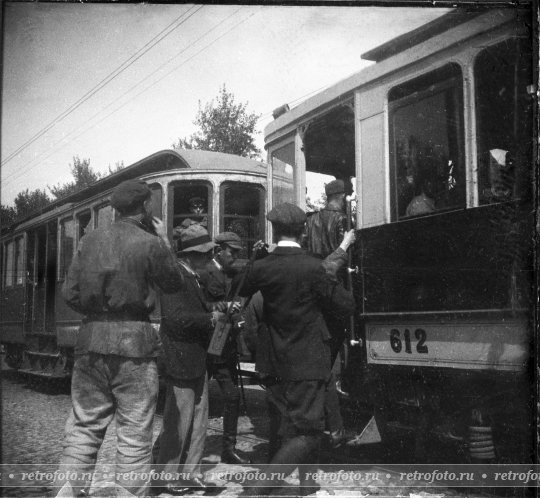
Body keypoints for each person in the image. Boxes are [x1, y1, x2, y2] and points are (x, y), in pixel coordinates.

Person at [58, 179, 184, 497]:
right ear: (144, 206)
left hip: (90, 343)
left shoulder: (88, 241)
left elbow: (69, 293)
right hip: (135, 346)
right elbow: (173, 283)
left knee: (83, 427)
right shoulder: (150, 242)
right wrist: (165, 242)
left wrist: (97, 311)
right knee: (134, 434)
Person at [238, 203, 354, 496]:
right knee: (310, 432)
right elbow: (345, 305)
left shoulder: (260, 267)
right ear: (303, 230)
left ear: (274, 230)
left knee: (292, 426)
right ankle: (259, 490)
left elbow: (239, 295)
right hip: (308, 360)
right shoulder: (313, 267)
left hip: (274, 360)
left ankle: (307, 486)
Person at [153, 223, 220, 496]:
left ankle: (190, 474)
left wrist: (217, 310)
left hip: (195, 358)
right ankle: (166, 477)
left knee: (199, 420)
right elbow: (176, 318)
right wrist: (210, 318)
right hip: (181, 358)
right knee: (178, 422)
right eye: (206, 254)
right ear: (193, 254)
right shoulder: (176, 277)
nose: (209, 258)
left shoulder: (192, 276)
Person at [305, 178, 354, 448]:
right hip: (334, 289)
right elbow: (342, 257)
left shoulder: (311, 220)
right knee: (328, 361)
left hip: (316, 292)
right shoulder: (342, 222)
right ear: (343, 195)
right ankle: (331, 422)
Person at [199, 231, 251, 465]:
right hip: (210, 339)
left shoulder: (222, 271)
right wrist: (224, 306)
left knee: (230, 396)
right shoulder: (206, 272)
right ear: (219, 250)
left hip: (221, 338)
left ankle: (228, 449)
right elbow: (201, 306)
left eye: (238, 253)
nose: (235, 257)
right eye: (232, 252)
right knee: (200, 397)